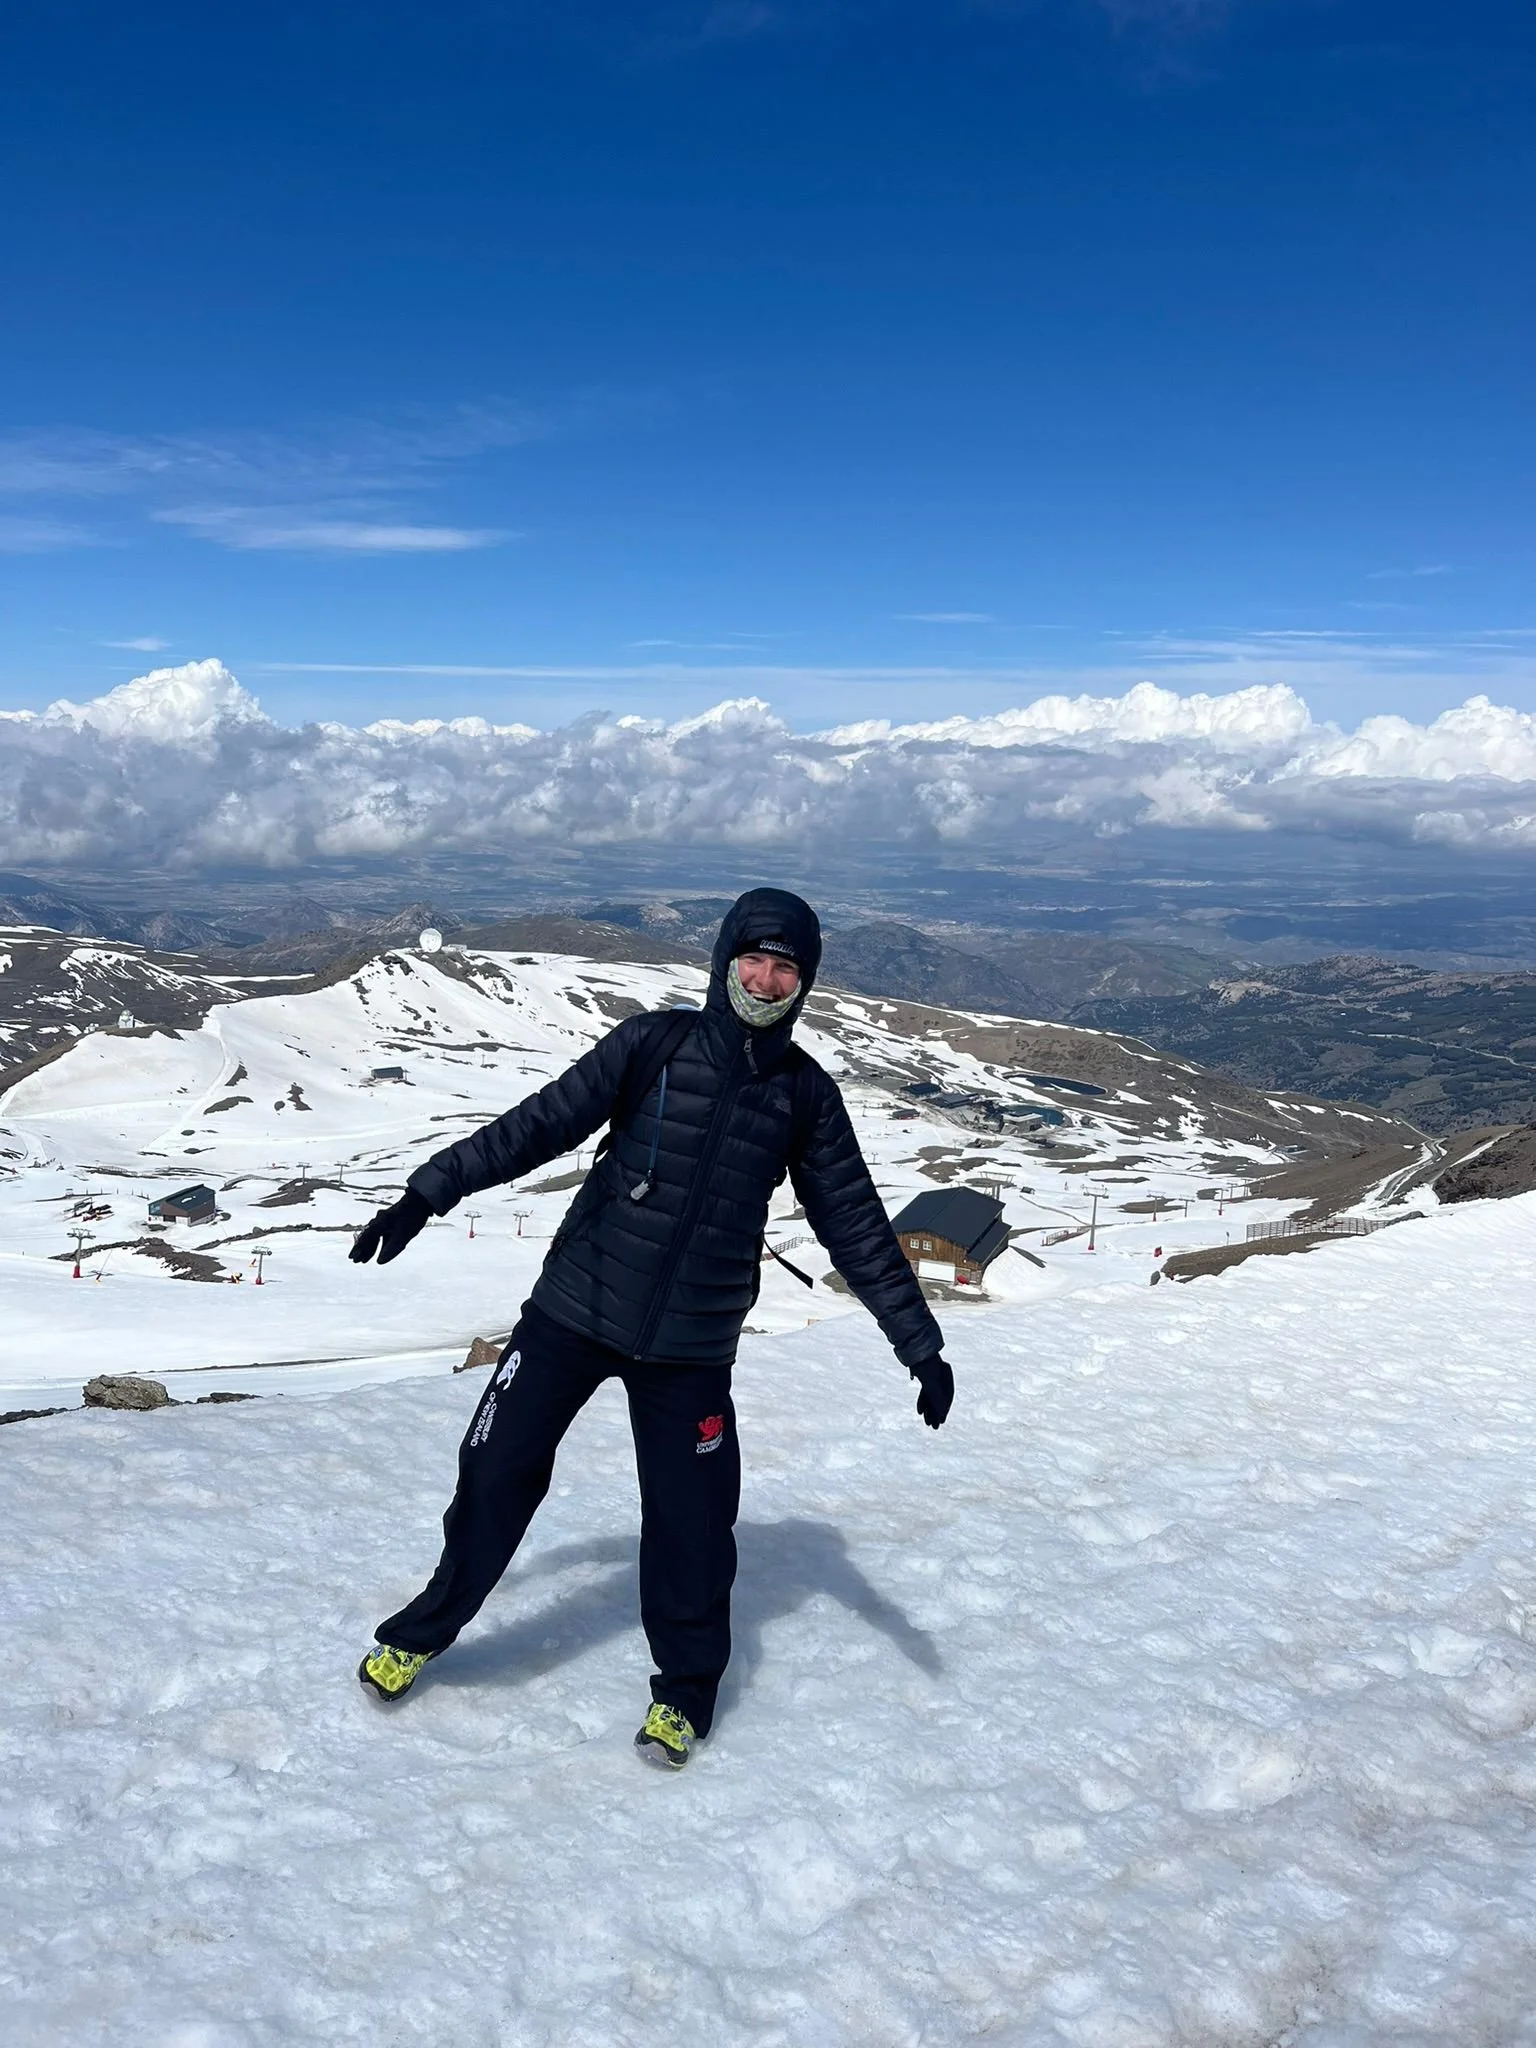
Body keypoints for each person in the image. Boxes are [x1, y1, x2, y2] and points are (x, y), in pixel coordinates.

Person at [349, 887, 953, 1768]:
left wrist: (920, 1345)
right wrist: (429, 1191)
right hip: (574, 1308)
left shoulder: (804, 1097)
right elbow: (538, 1126)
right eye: (755, 957)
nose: (767, 976)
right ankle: (421, 1632)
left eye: (787, 966)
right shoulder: (652, 1046)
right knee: (495, 1473)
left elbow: (855, 1225)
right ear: (725, 959)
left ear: (804, 983)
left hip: (692, 1348)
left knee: (694, 1522)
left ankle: (685, 1694)